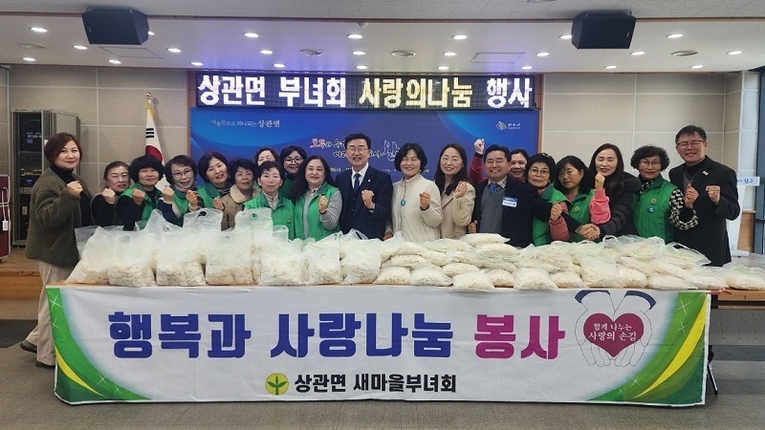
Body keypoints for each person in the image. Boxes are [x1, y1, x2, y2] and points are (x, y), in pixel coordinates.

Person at [23, 132, 92, 368]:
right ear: (52, 155)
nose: (70, 155)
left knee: (56, 299)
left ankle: (34, 339)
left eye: (74, 150)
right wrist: (68, 196)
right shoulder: (48, 183)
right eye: (63, 151)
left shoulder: (71, 177)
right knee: (52, 303)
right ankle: (45, 356)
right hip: (53, 253)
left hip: (67, 250)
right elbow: (47, 218)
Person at [468, 145, 590, 247]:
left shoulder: (523, 190)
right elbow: (474, 217)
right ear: (484, 165)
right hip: (481, 248)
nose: (494, 165)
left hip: (513, 251)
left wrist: (578, 228)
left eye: (499, 161)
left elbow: (546, 209)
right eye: (490, 161)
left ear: (509, 165)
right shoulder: (478, 189)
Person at [669, 125, 740, 266]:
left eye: (695, 142)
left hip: (710, 246)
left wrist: (718, 200)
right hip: (681, 245)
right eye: (684, 144)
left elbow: (733, 212)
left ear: (705, 145)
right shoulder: (675, 173)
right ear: (677, 149)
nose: (689, 147)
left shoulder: (723, 173)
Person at [631, 145, 698, 242]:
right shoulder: (629, 189)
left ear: (662, 165)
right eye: (645, 162)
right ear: (637, 164)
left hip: (661, 249)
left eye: (655, 163)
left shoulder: (672, 192)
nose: (650, 167)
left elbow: (683, 225)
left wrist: (688, 206)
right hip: (630, 246)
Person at [337, 133, 393, 240]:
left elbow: (385, 212)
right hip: (345, 239)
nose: (356, 153)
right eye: (352, 149)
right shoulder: (341, 178)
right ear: (346, 153)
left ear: (369, 153)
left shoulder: (382, 178)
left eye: (361, 149)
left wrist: (371, 205)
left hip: (370, 241)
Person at [388, 142, 443, 242]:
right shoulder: (394, 188)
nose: (409, 163)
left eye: (414, 159)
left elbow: (436, 222)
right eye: (405, 159)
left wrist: (426, 208)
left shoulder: (429, 186)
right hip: (399, 247)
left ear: (421, 163)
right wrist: (388, 231)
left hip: (423, 247)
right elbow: (389, 219)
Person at [587, 143, 641, 239]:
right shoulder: (586, 182)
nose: (604, 164)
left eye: (610, 160)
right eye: (600, 159)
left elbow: (619, 216)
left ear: (618, 163)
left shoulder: (625, 185)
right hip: (588, 240)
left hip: (620, 240)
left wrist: (600, 230)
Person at [553, 155, 611, 242]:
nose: (565, 177)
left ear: (581, 173)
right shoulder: (557, 197)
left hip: (590, 247)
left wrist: (599, 189)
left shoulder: (592, 195)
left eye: (569, 172)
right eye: (561, 174)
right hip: (563, 247)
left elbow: (601, 220)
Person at [292, 155, 342, 240]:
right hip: (301, 246)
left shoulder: (333, 193)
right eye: (310, 169)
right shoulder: (299, 193)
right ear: (304, 172)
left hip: (324, 246)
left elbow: (331, 225)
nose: (314, 173)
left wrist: (324, 212)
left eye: (319, 169)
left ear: (325, 174)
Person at [525, 153, 571, 245]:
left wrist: (556, 220)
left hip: (542, 249)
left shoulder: (558, 200)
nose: (538, 175)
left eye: (544, 172)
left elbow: (562, 239)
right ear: (527, 174)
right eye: (534, 170)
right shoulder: (519, 192)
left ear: (550, 177)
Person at [244, 160, 295, 239]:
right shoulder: (250, 207)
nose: (271, 180)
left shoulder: (290, 205)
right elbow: (245, 236)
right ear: (259, 181)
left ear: (281, 182)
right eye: (266, 176)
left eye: (275, 176)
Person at [435, 143, 475, 239]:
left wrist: (459, 198)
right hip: (431, 242)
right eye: (445, 158)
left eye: (454, 159)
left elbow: (462, 221)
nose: (448, 163)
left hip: (453, 244)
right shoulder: (432, 185)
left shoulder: (467, 188)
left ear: (462, 164)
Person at [116, 155, 165, 230]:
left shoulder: (160, 194)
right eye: (144, 171)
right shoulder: (128, 196)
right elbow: (129, 225)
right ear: (136, 174)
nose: (150, 174)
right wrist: (137, 204)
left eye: (153, 170)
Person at [160, 155, 201, 226]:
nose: (184, 177)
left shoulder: (202, 191)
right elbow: (170, 226)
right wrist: (167, 202)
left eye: (187, 171)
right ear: (171, 177)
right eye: (177, 173)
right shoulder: (166, 197)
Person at [220, 158, 259, 230]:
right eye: (240, 174)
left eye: (248, 174)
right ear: (234, 178)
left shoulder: (261, 198)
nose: (245, 177)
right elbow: (222, 230)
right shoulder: (225, 202)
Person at [91, 161, 130, 227]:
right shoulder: (100, 198)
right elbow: (103, 226)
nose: (121, 180)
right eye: (115, 176)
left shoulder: (132, 196)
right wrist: (109, 204)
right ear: (106, 180)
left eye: (124, 175)